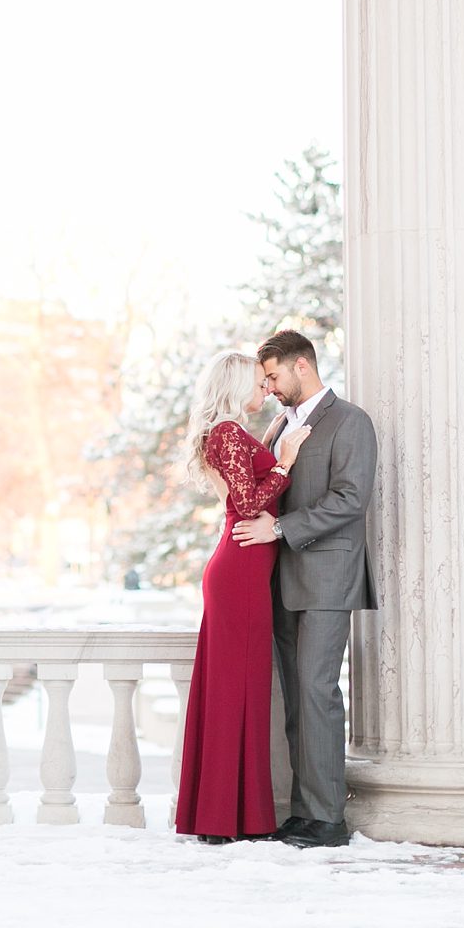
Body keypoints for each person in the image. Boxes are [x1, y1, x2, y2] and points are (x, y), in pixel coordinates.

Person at [230, 329, 377, 850]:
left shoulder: (350, 421)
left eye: (272, 376)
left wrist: (281, 530)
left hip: (327, 578)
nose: (267, 388)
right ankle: (305, 811)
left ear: (301, 366)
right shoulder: (277, 426)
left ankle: (327, 818)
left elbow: (350, 499)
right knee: (296, 697)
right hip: (280, 580)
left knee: (317, 692)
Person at [173, 350, 307, 843]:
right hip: (240, 569)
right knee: (236, 690)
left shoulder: (235, 432)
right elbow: (248, 503)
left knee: (241, 689)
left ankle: (229, 815)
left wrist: (272, 443)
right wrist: (285, 462)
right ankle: (224, 819)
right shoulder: (228, 433)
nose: (267, 389)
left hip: (244, 567)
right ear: (234, 386)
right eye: (258, 382)